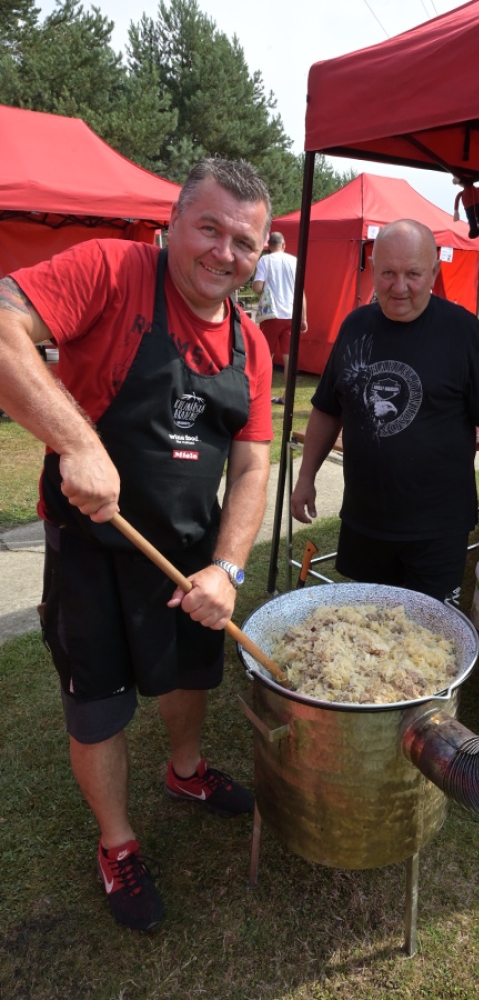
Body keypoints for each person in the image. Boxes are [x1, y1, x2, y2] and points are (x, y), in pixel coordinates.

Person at [0, 157, 274, 931]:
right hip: (92, 547)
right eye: (209, 228)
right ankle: (117, 842)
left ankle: (185, 770)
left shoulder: (251, 344)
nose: (224, 252)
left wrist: (227, 569)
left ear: (261, 255)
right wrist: (77, 442)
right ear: (172, 223)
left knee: (190, 672)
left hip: (189, 556)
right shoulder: (112, 272)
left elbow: (252, 465)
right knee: (99, 706)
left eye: (244, 242)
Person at [291, 219, 479, 603]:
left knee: (430, 630)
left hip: (437, 529)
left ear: (434, 271)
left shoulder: (463, 333)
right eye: (388, 273)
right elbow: (327, 410)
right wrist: (305, 477)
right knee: (367, 627)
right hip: (366, 520)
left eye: (412, 274)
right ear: (373, 268)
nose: (399, 287)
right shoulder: (355, 327)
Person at [252, 231, 307, 404]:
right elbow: (301, 292)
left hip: (272, 314)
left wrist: (262, 288)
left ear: (269, 246)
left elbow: (258, 287)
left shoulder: (265, 260)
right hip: (292, 314)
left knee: (265, 354)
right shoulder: (294, 261)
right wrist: (304, 317)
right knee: (289, 356)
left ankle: (262, 394)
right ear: (283, 245)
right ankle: (287, 396)